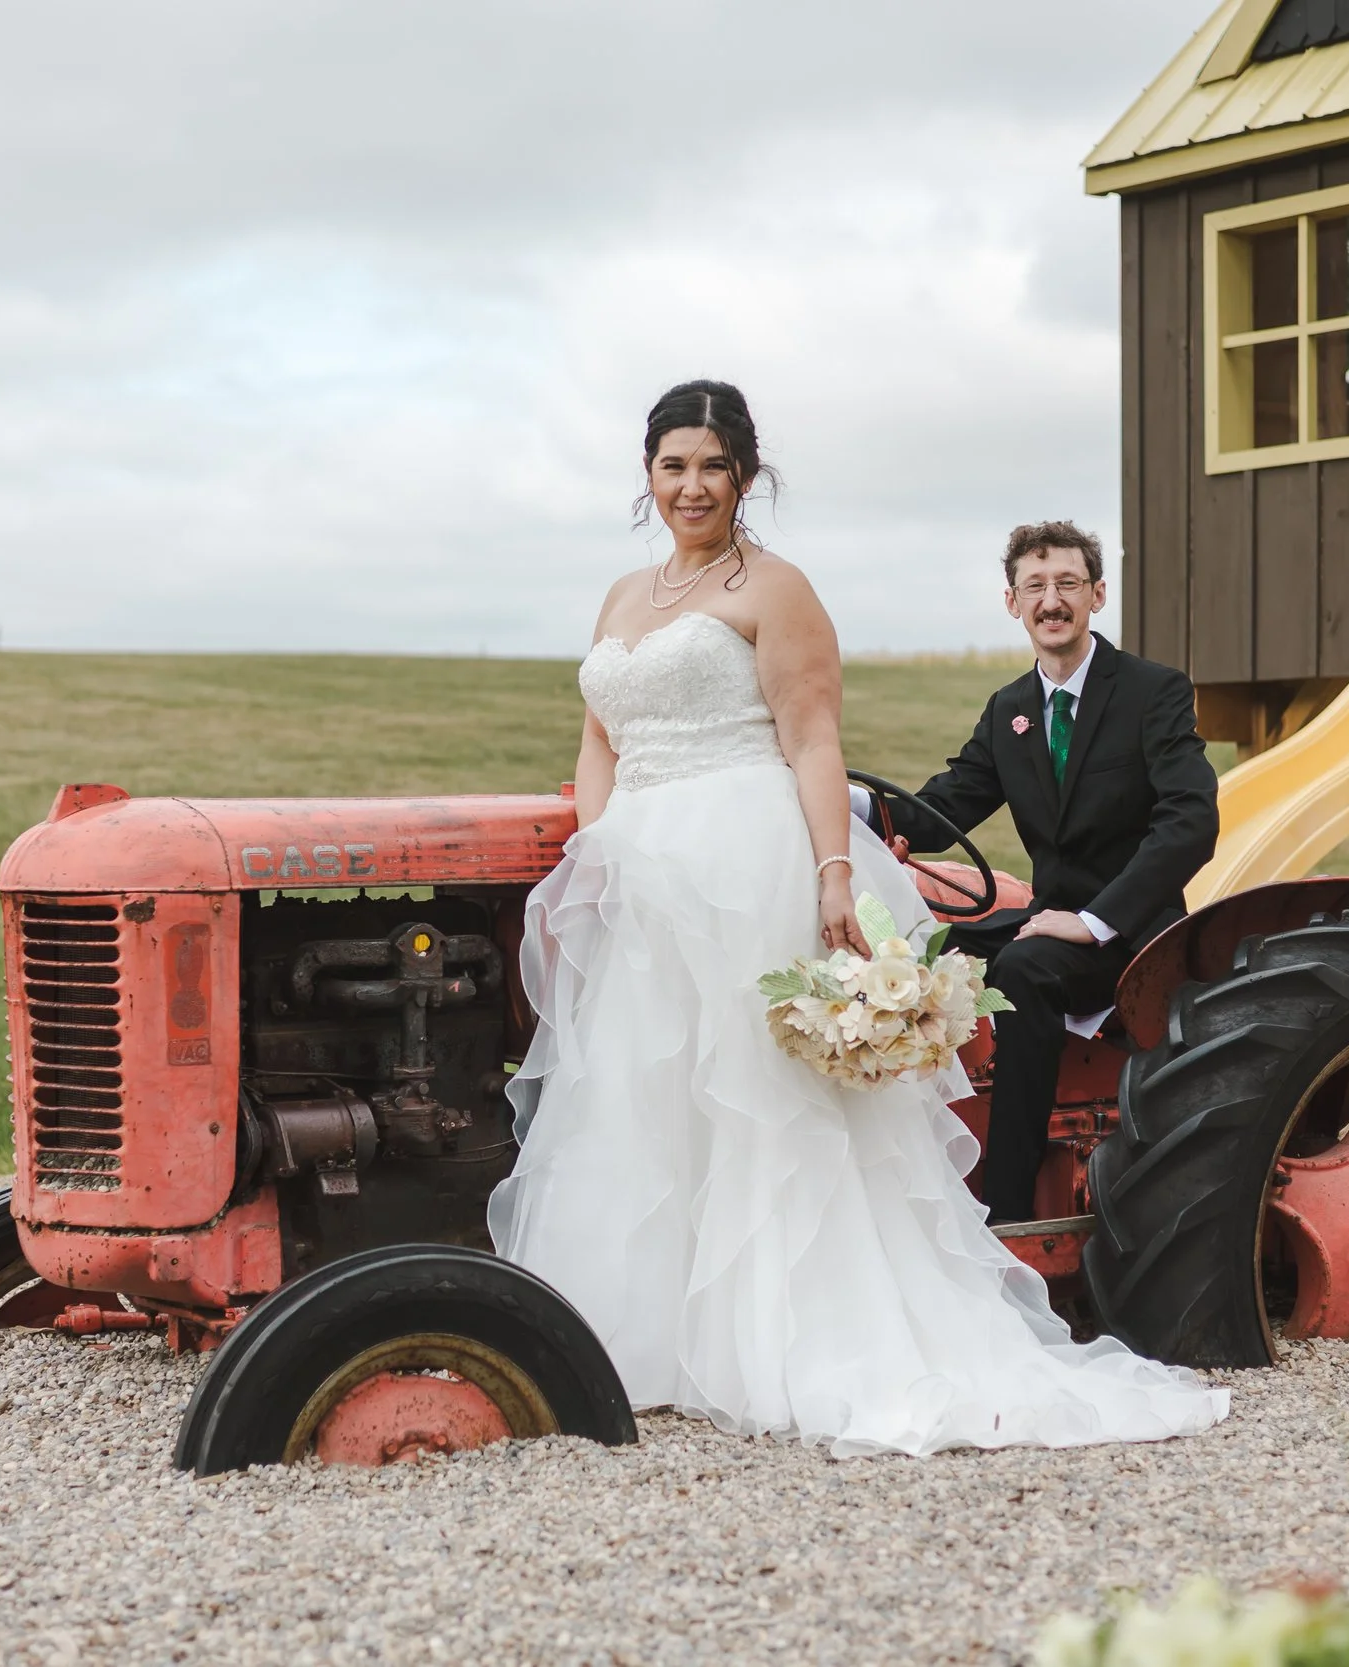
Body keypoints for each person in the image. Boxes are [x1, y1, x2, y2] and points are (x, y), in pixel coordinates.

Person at [487, 381, 1228, 1457]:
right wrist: (597, 856)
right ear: (647, 475)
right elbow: (600, 739)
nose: (691, 484)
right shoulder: (620, 596)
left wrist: (838, 866)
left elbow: (813, 738)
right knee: (645, 1091)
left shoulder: (779, 589)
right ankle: (650, 1335)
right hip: (642, 861)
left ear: (745, 473)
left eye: (711, 464)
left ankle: (798, 1327)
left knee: (757, 1095)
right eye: (671, 464)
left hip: (745, 852)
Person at [882, 522, 1219, 1226]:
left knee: (1026, 969)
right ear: (1012, 602)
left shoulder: (1153, 693)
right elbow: (946, 804)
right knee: (918, 955)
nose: (1052, 600)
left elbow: (1191, 822)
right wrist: (848, 806)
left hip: (1132, 937)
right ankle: (913, 1176)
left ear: (1097, 593)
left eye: (1067, 583)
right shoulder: (1010, 710)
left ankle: (1006, 1207)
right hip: (1048, 925)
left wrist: (1096, 920)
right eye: (1035, 586)